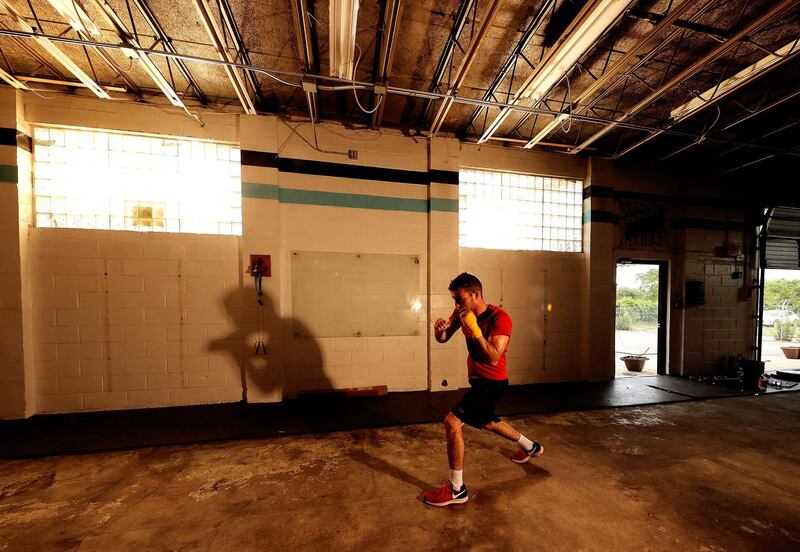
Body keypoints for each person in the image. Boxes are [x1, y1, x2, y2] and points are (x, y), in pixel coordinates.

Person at [423, 272, 543, 507]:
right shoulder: (462, 313)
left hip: (492, 383)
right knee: (488, 422)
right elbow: (444, 338)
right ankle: (531, 447)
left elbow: (494, 358)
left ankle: (457, 489)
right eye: (455, 300)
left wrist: (476, 331)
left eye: (460, 299)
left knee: (452, 422)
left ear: (475, 294)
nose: (456, 305)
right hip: (478, 382)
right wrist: (440, 331)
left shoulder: (500, 317)